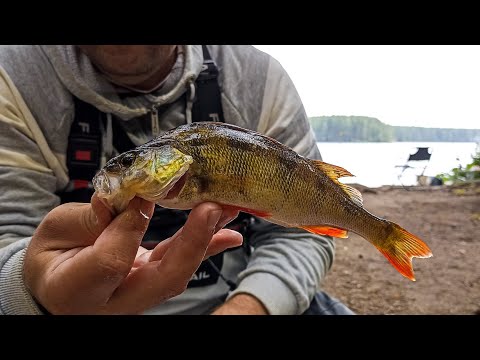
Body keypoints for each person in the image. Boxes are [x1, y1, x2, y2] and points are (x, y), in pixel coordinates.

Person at [0, 45, 354, 315]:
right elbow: (9, 236)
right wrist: (30, 288)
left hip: (242, 294)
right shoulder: (11, 78)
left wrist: (249, 306)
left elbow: (297, 235)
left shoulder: (258, 78)